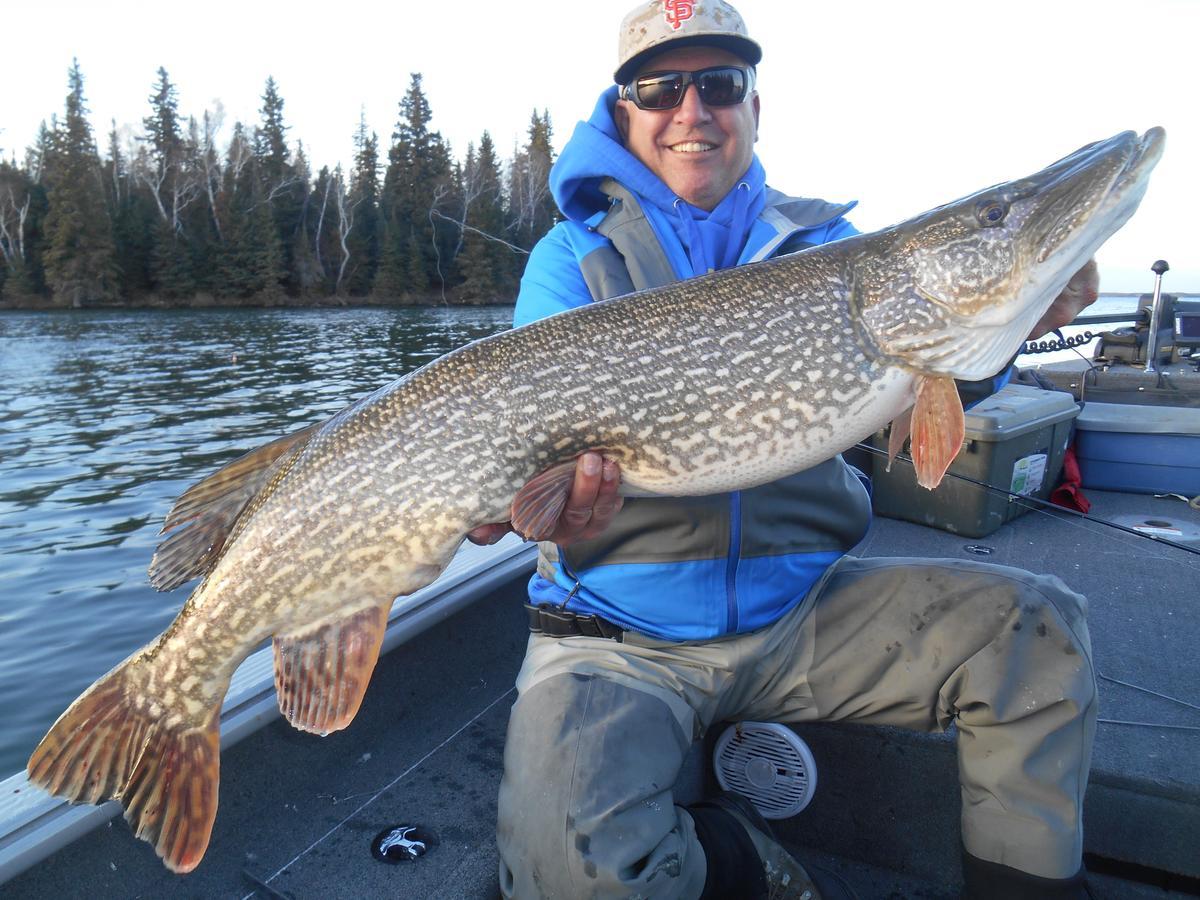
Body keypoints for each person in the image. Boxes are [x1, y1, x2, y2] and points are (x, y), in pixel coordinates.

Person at [470, 3, 1100, 897]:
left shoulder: (829, 251)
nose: (694, 109)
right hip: (620, 637)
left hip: (804, 615)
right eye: (662, 87)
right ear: (625, 113)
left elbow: (916, 396)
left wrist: (1001, 332)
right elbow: (535, 469)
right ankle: (738, 860)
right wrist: (549, 506)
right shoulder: (571, 262)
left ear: (754, 109)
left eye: (721, 84)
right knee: (566, 870)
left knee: (1037, 631)